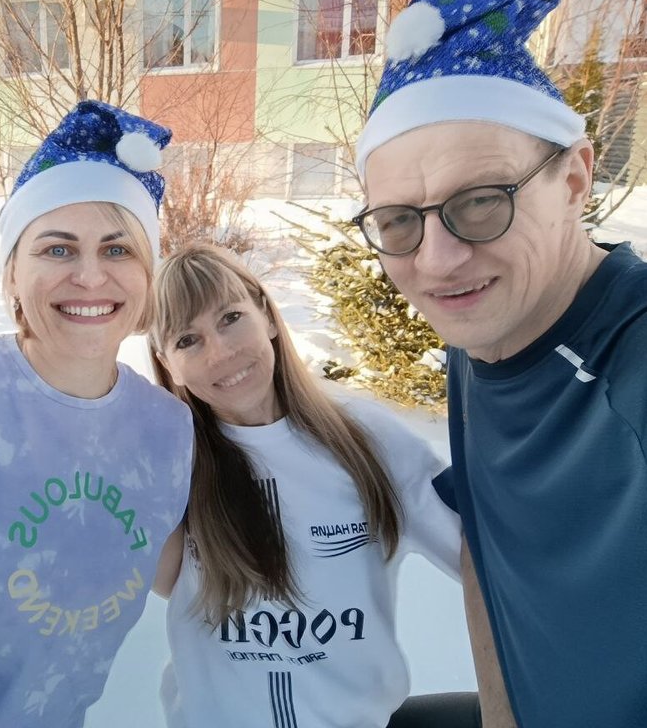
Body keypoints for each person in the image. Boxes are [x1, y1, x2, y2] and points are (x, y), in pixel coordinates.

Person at [354, 0, 647, 726]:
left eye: (482, 200)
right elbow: (486, 552)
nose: (438, 260)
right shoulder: (481, 336)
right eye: (398, 220)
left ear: (574, 179)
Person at [0, 99, 194, 727]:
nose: (90, 277)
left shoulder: (168, 427)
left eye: (118, 250)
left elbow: (182, 573)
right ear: (13, 274)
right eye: (57, 249)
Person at [146, 243, 470, 728]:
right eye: (187, 340)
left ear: (267, 315)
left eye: (231, 318)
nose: (221, 352)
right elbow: (146, 580)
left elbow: (488, 560)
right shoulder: (168, 464)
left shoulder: (369, 440)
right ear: (166, 362)